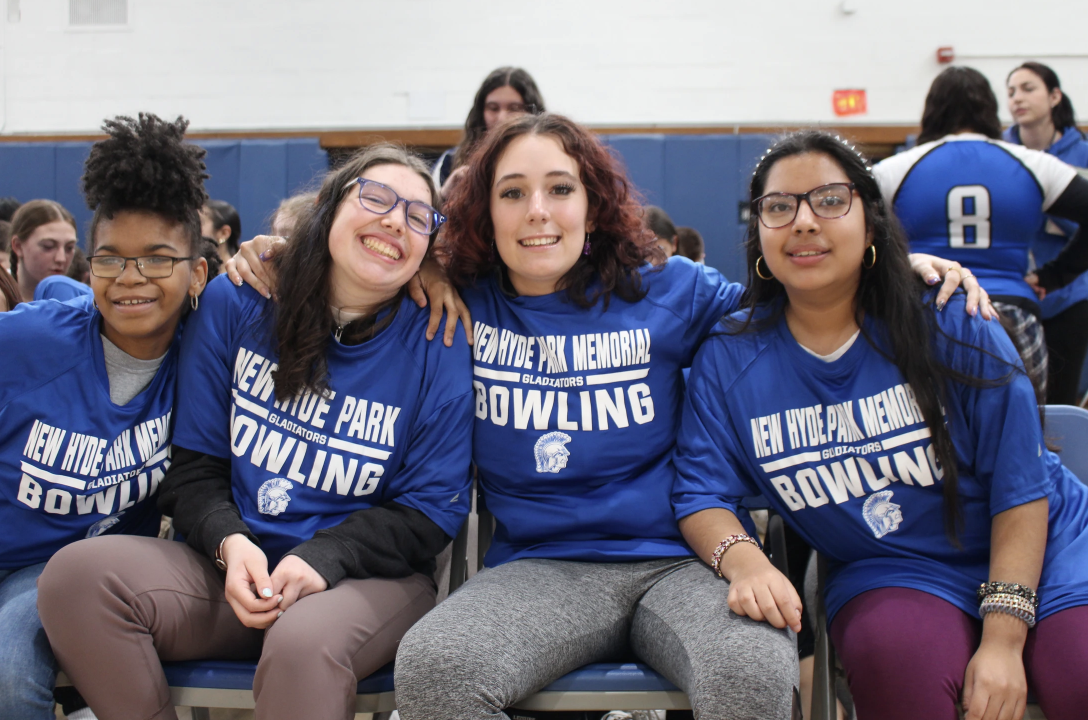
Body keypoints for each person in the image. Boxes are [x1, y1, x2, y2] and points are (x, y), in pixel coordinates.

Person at [226, 115, 989, 720]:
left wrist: (900, 266)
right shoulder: (454, 300)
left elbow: (792, 308)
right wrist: (276, 252)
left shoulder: (669, 289)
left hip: (680, 563)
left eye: (560, 189)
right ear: (482, 211)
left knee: (752, 666)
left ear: (592, 206)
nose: (538, 213)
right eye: (512, 192)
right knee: (438, 670)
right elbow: (360, 263)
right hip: (537, 569)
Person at [38, 143, 474, 720]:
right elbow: (195, 468)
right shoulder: (237, 299)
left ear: (428, 246)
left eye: (419, 216)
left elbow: (428, 512)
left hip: (364, 582)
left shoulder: (438, 339)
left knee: (302, 642)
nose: (396, 219)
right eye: (375, 197)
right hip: (233, 571)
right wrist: (228, 540)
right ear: (327, 208)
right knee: (75, 577)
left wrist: (327, 555)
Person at [673, 130, 1088, 720]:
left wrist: (1002, 637)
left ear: (871, 221)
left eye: (831, 200)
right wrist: (747, 562)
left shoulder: (950, 316)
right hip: (891, 567)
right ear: (759, 233)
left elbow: (1020, 483)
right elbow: (700, 492)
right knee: (895, 660)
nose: (804, 222)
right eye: (779, 206)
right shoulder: (731, 356)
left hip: (1049, 547)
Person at [0, 112, 210, 720]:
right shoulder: (29, 342)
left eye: (156, 259)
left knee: (9, 674)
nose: (131, 278)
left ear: (197, 271)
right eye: (110, 260)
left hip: (79, 574)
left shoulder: (208, 353)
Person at [873, 66, 1088, 402]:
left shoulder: (896, 168)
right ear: (991, 108)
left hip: (926, 312)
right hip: (1011, 315)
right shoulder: (1034, 163)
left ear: (931, 111)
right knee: (1026, 436)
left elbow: (851, 231)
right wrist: (1055, 275)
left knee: (930, 438)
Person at [1004, 62, 1088, 405]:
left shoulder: (1081, 154)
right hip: (1013, 295)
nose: (1017, 99)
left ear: (1054, 96)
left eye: (1028, 88)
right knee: (1017, 402)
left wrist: (1053, 198)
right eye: (1010, 92)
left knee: (1061, 404)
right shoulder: (1003, 154)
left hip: (1069, 295)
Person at [432, 67, 546, 191]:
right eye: (493, 108)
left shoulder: (549, 156)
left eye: (514, 108)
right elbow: (425, 206)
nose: (501, 118)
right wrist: (443, 194)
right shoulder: (449, 161)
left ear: (531, 112)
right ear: (481, 112)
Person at [8, 200, 78, 303]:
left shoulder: (85, 304)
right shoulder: (3, 302)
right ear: (18, 246)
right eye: (48, 246)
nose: (61, 258)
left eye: (69, 248)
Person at [201, 198, 242, 265]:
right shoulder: (193, 272)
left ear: (224, 233)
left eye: (200, 223)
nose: (193, 229)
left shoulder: (241, 274)